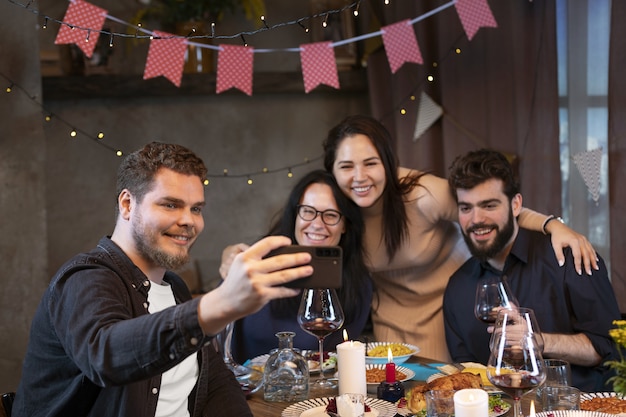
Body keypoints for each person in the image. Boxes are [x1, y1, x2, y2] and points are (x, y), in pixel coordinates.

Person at [13, 142, 315, 417]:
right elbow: (105, 354)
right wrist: (218, 305)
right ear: (127, 205)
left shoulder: (174, 287)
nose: (188, 220)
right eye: (170, 204)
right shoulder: (85, 279)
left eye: (195, 208)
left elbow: (215, 383)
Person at [322, 115, 598, 362]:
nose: (359, 177)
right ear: (332, 172)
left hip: (451, 308)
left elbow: (489, 209)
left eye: (371, 163)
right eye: (346, 166)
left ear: (389, 163)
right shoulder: (335, 210)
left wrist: (551, 225)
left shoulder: (421, 193)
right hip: (390, 319)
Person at [443, 148, 621, 391]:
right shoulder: (458, 287)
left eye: (489, 205)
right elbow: (465, 374)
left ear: (516, 205)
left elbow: (608, 349)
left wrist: (538, 341)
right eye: (466, 208)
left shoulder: (570, 257)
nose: (476, 219)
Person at [221, 170, 373, 363]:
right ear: (295, 216)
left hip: (316, 390)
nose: (317, 224)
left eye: (331, 215)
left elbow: (331, 361)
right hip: (248, 388)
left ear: (344, 225)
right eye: (308, 212)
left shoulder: (358, 285)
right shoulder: (258, 266)